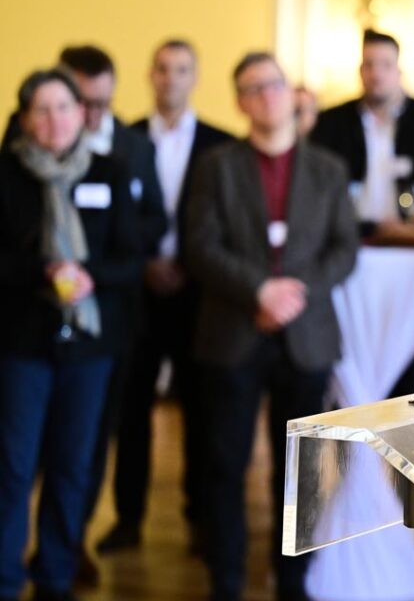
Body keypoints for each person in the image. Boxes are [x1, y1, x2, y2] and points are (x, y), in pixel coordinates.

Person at [184, 52, 357, 601]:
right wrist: (259, 290)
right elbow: (199, 245)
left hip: (307, 337)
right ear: (240, 102)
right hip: (234, 330)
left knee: (300, 473)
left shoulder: (328, 168)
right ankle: (226, 580)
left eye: (273, 84)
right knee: (223, 465)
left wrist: (293, 293)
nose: (266, 95)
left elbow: (344, 248)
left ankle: (292, 581)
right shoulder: (215, 166)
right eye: (252, 88)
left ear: (291, 92)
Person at [0, 68, 142, 601]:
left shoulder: (111, 170)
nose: (55, 119)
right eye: (42, 109)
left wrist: (89, 276)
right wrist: (43, 271)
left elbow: (131, 258)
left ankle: (55, 576)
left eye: (64, 107)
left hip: (90, 346)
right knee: (14, 466)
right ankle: (5, 578)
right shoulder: (6, 174)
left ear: (82, 113)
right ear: (24, 119)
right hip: (21, 343)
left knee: (72, 465)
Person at [96, 39, 235, 556]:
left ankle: (200, 518)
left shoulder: (222, 145)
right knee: (132, 409)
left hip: (200, 295)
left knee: (201, 411)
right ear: (149, 75)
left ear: (194, 77)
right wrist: (145, 264)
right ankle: (127, 518)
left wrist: (188, 267)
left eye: (181, 69)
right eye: (162, 69)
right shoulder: (123, 139)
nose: (170, 78)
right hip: (137, 291)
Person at [309, 30, 414, 238]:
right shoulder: (332, 122)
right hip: (349, 236)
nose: (376, 74)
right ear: (360, 71)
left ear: (399, 71)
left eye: (386, 65)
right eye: (369, 65)